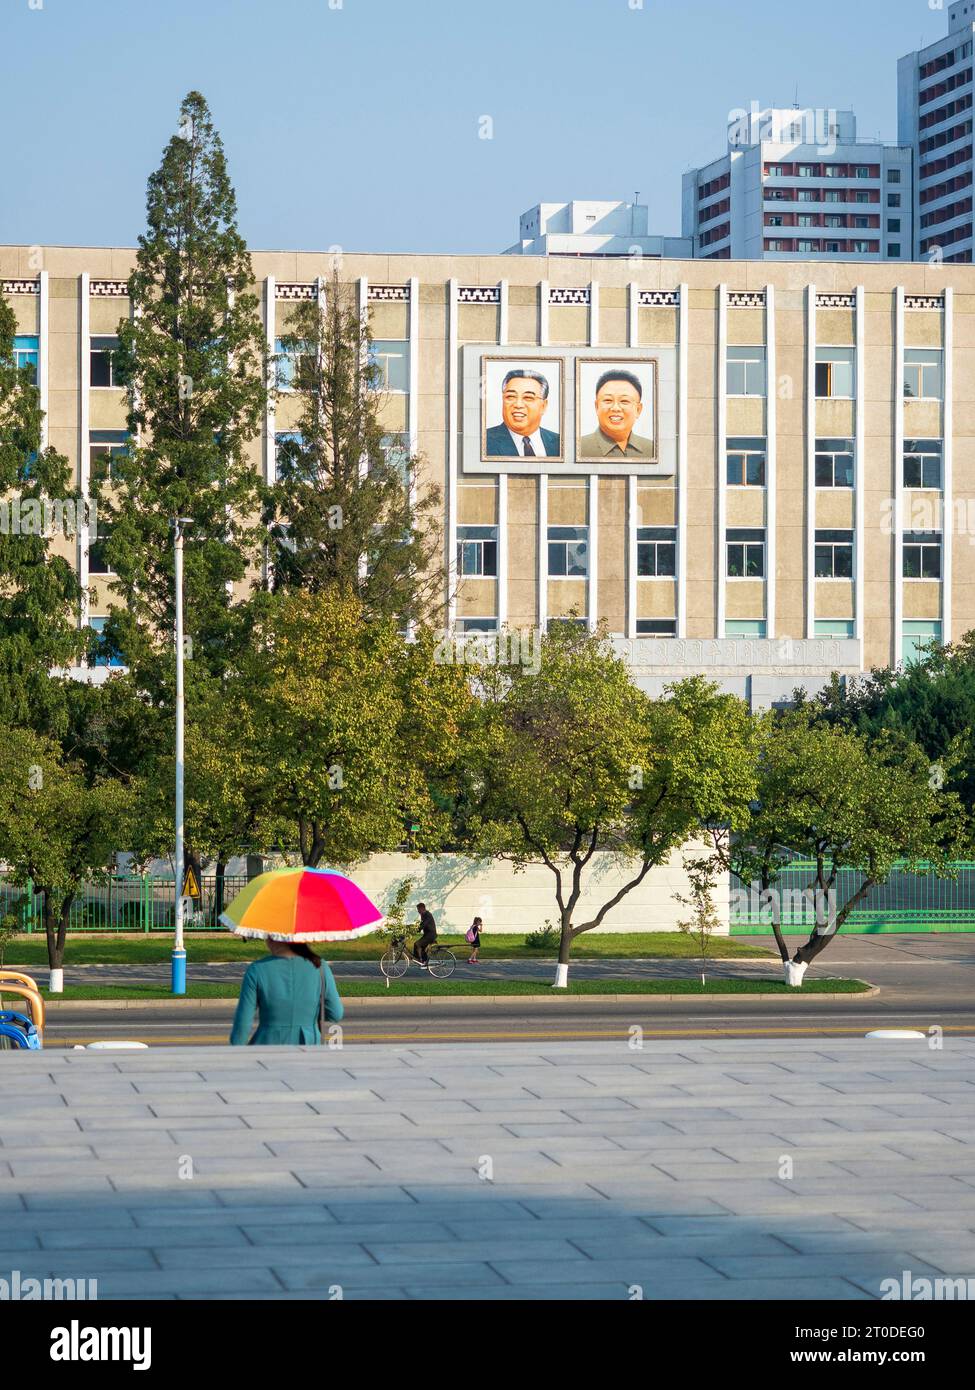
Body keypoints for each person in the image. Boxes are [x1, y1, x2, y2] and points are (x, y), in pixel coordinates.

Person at [229, 939, 343, 1045]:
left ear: (272, 937)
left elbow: (242, 1026)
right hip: (310, 1046)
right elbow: (336, 1013)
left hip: (266, 1046)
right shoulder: (320, 966)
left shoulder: (256, 969)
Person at [578, 368, 655, 459]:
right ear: (597, 406)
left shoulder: (652, 450)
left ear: (638, 410)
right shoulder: (579, 448)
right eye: (608, 400)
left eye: (624, 401)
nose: (615, 408)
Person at [485, 369, 561, 458]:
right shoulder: (483, 441)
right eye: (510, 396)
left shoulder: (559, 443)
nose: (518, 405)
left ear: (543, 406)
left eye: (528, 397)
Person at [412, 902, 438, 967]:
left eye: (418, 909)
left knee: (417, 944)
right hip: (427, 934)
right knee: (422, 948)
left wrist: (418, 929)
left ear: (422, 908)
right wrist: (415, 929)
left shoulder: (428, 915)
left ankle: (418, 959)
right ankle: (424, 962)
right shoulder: (423, 915)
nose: (418, 911)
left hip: (431, 935)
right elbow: (422, 924)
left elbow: (424, 924)